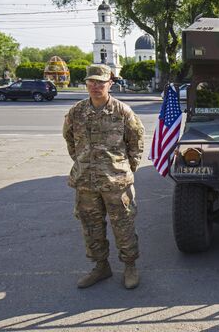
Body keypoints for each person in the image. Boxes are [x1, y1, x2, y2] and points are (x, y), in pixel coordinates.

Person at [63, 64, 145, 289]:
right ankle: (101, 267)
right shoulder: (77, 112)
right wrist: (82, 162)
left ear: (110, 83)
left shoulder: (122, 112)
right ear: (86, 84)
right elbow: (70, 140)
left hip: (116, 182)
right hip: (85, 182)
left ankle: (130, 266)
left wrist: (125, 169)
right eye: (91, 82)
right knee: (91, 227)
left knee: (124, 226)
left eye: (101, 82)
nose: (95, 86)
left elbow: (136, 143)